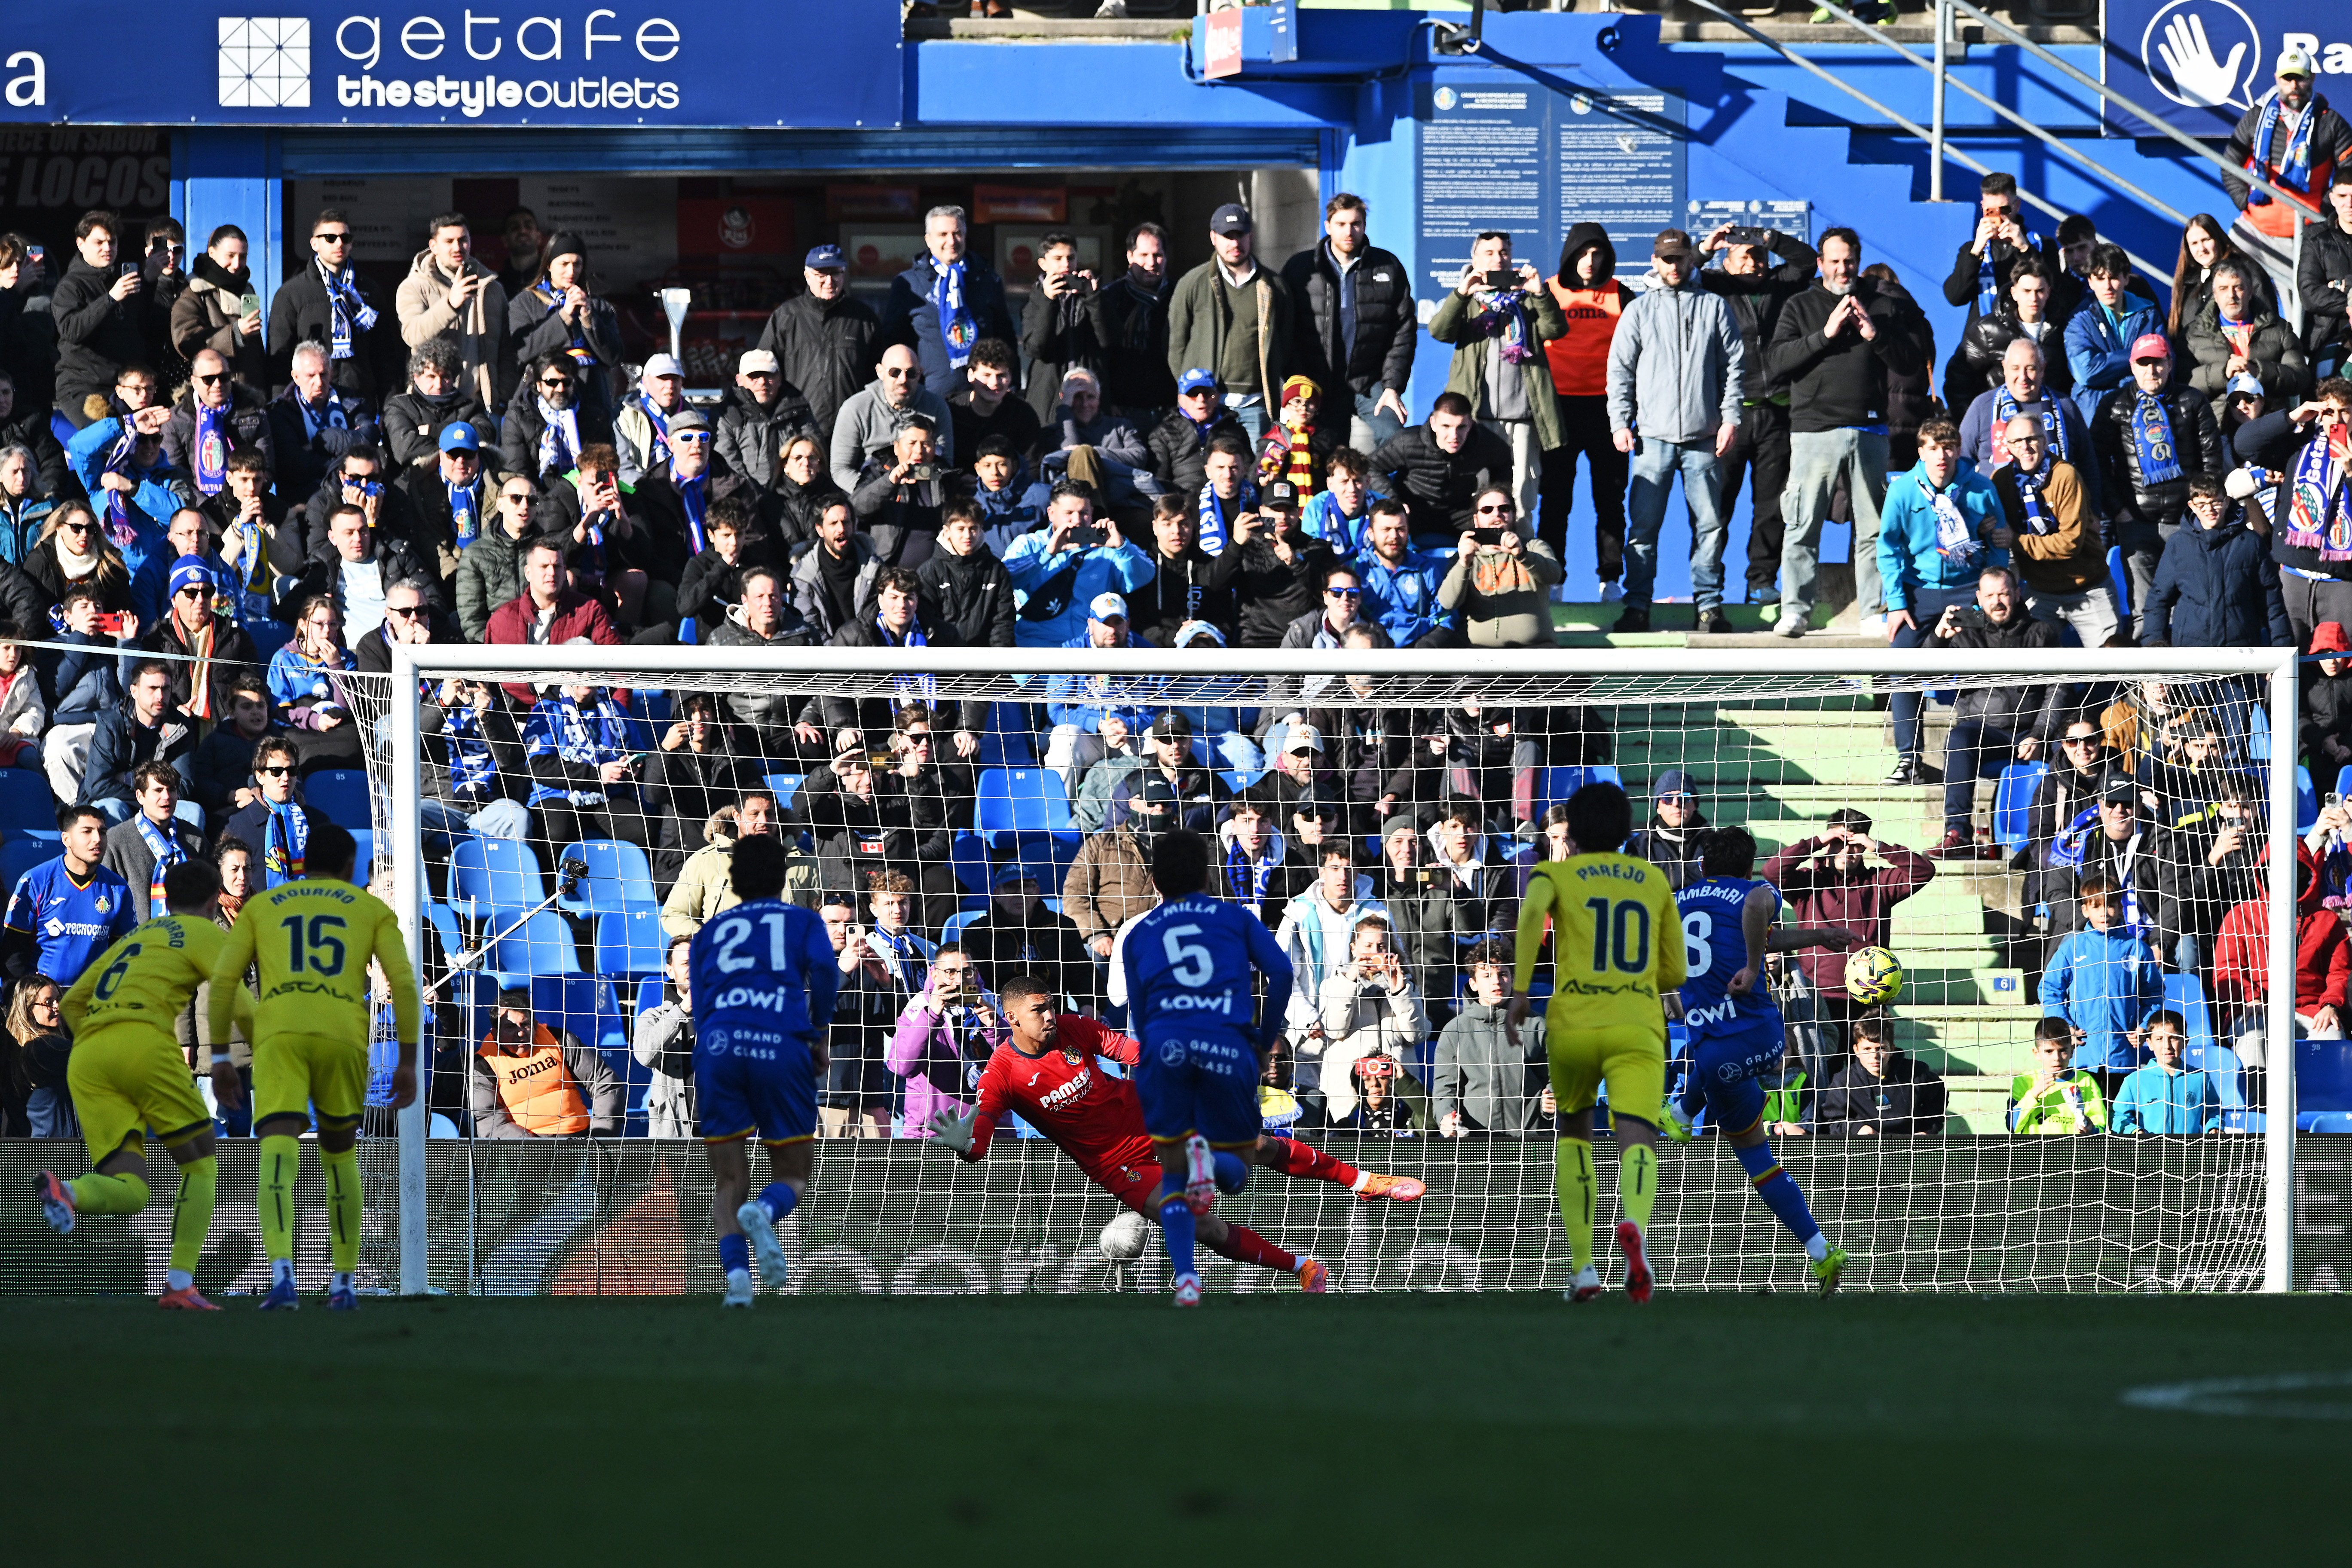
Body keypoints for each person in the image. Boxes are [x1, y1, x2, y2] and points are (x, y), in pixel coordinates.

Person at [926, 975, 1416, 1292]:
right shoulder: (1001, 1073)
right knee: (1197, 1223)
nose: (1050, 1015)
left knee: (1255, 1143)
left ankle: (1365, 1181)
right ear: (1011, 1017)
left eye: (1051, 1005)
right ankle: (1304, 1268)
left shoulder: (1074, 1027)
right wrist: (966, 1145)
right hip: (1116, 1164)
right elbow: (982, 1137)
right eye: (1038, 1010)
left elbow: (1130, 1051)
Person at [206, 819, 417, 1310]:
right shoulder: (369, 909)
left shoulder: (261, 907)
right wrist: (406, 1060)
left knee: (277, 1155)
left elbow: (223, 985)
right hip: (342, 1037)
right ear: (350, 868)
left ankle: (282, 1275)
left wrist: (219, 1057)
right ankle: (343, 1281)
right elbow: (403, 987)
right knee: (341, 1157)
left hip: (280, 1039)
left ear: (300, 864)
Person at [33, 859, 245, 1309]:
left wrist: (101, 1041)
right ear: (214, 901)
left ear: (165, 895)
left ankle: (67, 1191)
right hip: (143, 1043)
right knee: (202, 1161)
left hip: (89, 1057)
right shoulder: (205, 931)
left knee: (132, 1188)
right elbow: (237, 1001)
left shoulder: (134, 937)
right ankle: (180, 1284)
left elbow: (72, 1005)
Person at [1504, 781, 1680, 1302]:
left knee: (1574, 1130)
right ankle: (1636, 1233)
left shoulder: (1553, 873)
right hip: (1637, 1023)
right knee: (1637, 1135)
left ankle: (1582, 1266)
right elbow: (1674, 970)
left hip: (1573, 1022)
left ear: (1572, 832)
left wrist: (1519, 991)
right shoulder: (1652, 879)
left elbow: (1530, 916)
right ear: (1628, 831)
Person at [1105, 828, 1297, 1305]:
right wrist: (1264, 1036)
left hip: (1165, 1049)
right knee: (1236, 1173)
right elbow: (1282, 972)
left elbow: (1139, 1011)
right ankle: (1210, 1161)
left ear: (1153, 880)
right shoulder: (1234, 917)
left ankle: (1187, 1279)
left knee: (1172, 1173)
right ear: (1207, 874)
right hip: (1226, 1046)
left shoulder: (1137, 933)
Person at [1661, 826, 1857, 1292]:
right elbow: (1756, 916)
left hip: (1725, 1042)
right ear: (1749, 865)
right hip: (1760, 1038)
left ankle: (1681, 1111)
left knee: (1705, 1055)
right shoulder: (1753, 889)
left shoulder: (1678, 900)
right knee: (1756, 1158)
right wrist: (1776, 955)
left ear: (1702, 865)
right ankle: (1822, 1252)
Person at [684, 834, 838, 1306]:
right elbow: (826, 972)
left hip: (719, 1046)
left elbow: (702, 1005)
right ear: (783, 876)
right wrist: (816, 1031)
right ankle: (766, 1211)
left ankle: (737, 1283)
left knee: (729, 1180)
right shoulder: (802, 920)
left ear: (732, 879)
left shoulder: (708, 933)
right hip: (780, 1042)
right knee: (793, 1172)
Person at [1767, 227, 1924, 638]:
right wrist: (1826, 335)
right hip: (1813, 430)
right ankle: (1795, 609)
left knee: (1873, 528)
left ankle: (1872, 609)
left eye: (1849, 261)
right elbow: (1777, 361)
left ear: (1858, 260)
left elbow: (1911, 363)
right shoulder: (1799, 305)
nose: (1842, 268)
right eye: (1833, 261)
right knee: (1802, 525)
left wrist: (1876, 335)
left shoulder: (1884, 306)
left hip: (1869, 429)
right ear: (1820, 264)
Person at [1604, 228, 1745, 635]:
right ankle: (1637, 606)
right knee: (1644, 528)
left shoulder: (1714, 307)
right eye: (1666, 260)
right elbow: (1619, 372)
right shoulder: (1639, 311)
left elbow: (1734, 368)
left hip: (1703, 437)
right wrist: (1620, 421)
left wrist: (1730, 418)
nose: (1674, 266)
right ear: (1655, 262)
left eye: (1680, 258)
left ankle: (1708, 607)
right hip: (1652, 437)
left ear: (1690, 260)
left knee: (1709, 525)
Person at [1701, 222, 1819, 609]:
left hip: (1777, 411)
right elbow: (1684, 274)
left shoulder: (1780, 284)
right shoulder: (1715, 287)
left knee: (1770, 506)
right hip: (1729, 417)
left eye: (1759, 255)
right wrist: (1708, 246)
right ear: (1728, 262)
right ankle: (1709, 584)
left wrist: (1771, 240)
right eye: (1745, 255)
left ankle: (1762, 581)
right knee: (1716, 506)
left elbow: (1805, 263)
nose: (1755, 261)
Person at [1760, 809, 1934, 1067]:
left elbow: (1923, 871)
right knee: (1823, 1074)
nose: (1846, 852)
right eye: (1838, 845)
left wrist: (1878, 847)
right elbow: (1772, 871)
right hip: (1818, 1000)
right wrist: (1818, 841)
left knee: (1865, 1076)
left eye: (1853, 846)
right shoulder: (1808, 882)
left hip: (1869, 1000)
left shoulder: (1878, 882)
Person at [1879, 419, 2008, 765]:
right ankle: (1909, 758)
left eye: (1949, 447)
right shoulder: (1903, 490)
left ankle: (1988, 745)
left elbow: (1998, 542)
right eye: (1933, 448)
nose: (1942, 456)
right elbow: (1888, 548)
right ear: (1921, 452)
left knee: (1991, 655)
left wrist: (1989, 589)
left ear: (1958, 449)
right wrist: (1895, 602)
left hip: (1967, 589)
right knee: (1901, 663)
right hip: (1917, 591)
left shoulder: (1980, 487)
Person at [1910, 566, 2064, 845]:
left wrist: (2040, 732)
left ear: (2017, 594)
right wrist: (1939, 637)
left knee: (2070, 744)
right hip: (1983, 732)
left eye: (2004, 594)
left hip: (2031, 732)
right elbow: (1924, 677)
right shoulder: (1962, 634)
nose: (1997, 601)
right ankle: (1956, 832)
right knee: (1958, 738)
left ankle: (2056, 834)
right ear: (1979, 598)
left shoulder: (2042, 632)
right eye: (1990, 595)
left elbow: (2058, 688)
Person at [1428, 230, 1565, 524]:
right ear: (1475, 259)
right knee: (1477, 500)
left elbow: (1556, 330)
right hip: (1475, 420)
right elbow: (1439, 331)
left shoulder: (1527, 296)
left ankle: (1521, 560)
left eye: (1503, 252)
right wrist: (1461, 293)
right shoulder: (1468, 300)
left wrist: (1539, 293)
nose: (1498, 259)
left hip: (1523, 419)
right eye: (1489, 253)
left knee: (1520, 499)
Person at [2093, 335, 2224, 624]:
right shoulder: (2113, 406)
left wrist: (2199, 511)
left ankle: (2188, 669)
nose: (2151, 371)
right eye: (2143, 363)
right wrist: (2119, 511)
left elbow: (2211, 461)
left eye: (2157, 362)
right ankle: (2149, 668)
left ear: (2169, 363)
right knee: (2144, 610)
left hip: (2185, 523)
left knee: (2190, 605)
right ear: (2132, 366)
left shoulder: (2192, 400)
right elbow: (2097, 464)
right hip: (2136, 522)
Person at [1282, 193, 1416, 453]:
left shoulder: (1387, 267)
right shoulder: (1301, 268)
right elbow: (1286, 331)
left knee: (1395, 440)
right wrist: (1297, 382)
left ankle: (1383, 494)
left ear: (1364, 226)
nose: (1349, 231)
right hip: (1319, 384)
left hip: (1371, 381)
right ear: (1328, 226)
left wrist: (1392, 387)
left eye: (1355, 224)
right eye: (1341, 224)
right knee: (1324, 452)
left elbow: (1403, 331)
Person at [2221, 46, 2352, 295]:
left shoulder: (2330, 122)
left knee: (2299, 315)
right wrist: (2244, 202)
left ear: (2312, 78)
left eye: (2300, 78)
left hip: (2302, 237)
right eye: (2287, 78)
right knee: (2226, 289)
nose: (2294, 85)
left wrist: (2324, 208)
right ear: (2277, 79)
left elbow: (2350, 172)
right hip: (2253, 233)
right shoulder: (2256, 117)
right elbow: (2230, 165)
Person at [1167, 203, 1293, 443]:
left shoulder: (1274, 286)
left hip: (1257, 404)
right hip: (1208, 406)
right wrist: (1193, 393)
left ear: (1251, 237)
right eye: (1228, 236)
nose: (1235, 243)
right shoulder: (1192, 283)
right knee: (1210, 474)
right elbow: (1175, 344)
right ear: (1214, 238)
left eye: (1241, 235)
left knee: (1255, 473)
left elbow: (1286, 342)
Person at [1991, 413, 2120, 648]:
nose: (2025, 447)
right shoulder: (2001, 481)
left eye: (2032, 438)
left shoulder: (2065, 475)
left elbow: (2070, 543)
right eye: (2017, 441)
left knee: (2114, 667)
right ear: (2007, 447)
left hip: (2088, 586)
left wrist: (2016, 541)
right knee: (2033, 670)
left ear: (2044, 440)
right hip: (2040, 591)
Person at [2039, 869, 2165, 1100]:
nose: (2104, 913)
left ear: (2119, 908)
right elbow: (2050, 989)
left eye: (2109, 906)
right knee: (2087, 1125)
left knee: (2122, 1123)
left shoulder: (2137, 949)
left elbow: (2153, 995)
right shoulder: (2073, 947)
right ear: (2085, 910)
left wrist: (2144, 1026)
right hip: (2083, 1055)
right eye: (2096, 907)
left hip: (2126, 1057)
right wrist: (2066, 1027)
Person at [1939, 173, 2054, 415]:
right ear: (1982, 208)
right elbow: (1954, 296)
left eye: (2005, 210)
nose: (1999, 218)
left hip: (2028, 343)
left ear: (2017, 206)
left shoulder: (2041, 245)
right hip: (1986, 346)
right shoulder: (1972, 250)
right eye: (1991, 211)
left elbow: (2055, 293)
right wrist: (1976, 251)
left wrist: (2023, 247)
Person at [2144, 474, 2291, 649]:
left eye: (2216, 502)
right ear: (2192, 506)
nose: (2210, 510)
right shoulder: (2179, 544)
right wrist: (2154, 644)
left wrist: (2282, 648)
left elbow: (2271, 601)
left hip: (2241, 649)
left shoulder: (2251, 543)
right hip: (2191, 650)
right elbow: (2159, 598)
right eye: (2202, 504)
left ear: (2227, 502)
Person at [882, 204, 1014, 400]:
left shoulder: (987, 279)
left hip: (982, 398)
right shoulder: (908, 284)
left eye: (957, 233)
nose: (951, 241)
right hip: (929, 397)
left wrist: (1012, 382)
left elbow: (1005, 336)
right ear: (928, 240)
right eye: (943, 234)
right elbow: (892, 342)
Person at [1003, 480, 1154, 649]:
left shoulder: (1108, 547)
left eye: (1084, 513)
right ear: (1051, 514)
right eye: (1069, 513)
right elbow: (1005, 580)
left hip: (1088, 649)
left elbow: (1144, 577)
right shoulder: (1029, 544)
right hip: (1036, 647)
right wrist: (1047, 554)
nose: (1078, 520)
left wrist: (1122, 548)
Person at [2, 803, 136, 990]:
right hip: (42, 1001)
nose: (97, 839)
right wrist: (15, 1001)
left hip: (91, 1002)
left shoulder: (118, 888)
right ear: (66, 839)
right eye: (87, 832)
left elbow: (123, 954)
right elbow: (14, 953)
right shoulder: (36, 881)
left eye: (103, 832)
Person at [469, 983, 624, 1140]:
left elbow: (605, 1082)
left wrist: (601, 1136)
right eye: (510, 1027)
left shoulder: (559, 1040)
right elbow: (490, 1122)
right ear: (495, 1033)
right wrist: (539, 1150)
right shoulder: (483, 1064)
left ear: (535, 1026)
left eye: (526, 1025)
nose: (520, 1032)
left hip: (581, 1141)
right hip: (528, 1150)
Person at [756, 245, 880, 439]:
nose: (829, 281)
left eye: (835, 273)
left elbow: (879, 378)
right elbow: (763, 371)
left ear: (844, 274)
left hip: (854, 429)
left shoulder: (864, 318)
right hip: (799, 430)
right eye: (821, 274)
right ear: (807, 276)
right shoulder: (786, 317)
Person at [395, 211, 510, 413]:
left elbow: (506, 351)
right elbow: (413, 336)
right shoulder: (413, 286)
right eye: (449, 241)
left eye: (463, 240)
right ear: (434, 247)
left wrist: (503, 398)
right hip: (433, 404)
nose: (457, 248)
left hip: (483, 407)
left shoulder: (491, 287)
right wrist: (450, 304)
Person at [1431, 938, 1547, 1137]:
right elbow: (1445, 1090)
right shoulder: (1455, 1031)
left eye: (1503, 974)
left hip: (1531, 1142)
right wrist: (1446, 1118)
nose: (1496, 981)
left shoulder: (1537, 1025)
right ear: (1473, 984)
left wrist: (1550, 1104)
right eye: (1487, 976)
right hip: (1476, 1144)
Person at [269, 209, 385, 401]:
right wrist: (280, 407)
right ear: (315, 243)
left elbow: (384, 356)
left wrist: (387, 409)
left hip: (359, 402)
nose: (339, 243)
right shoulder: (292, 293)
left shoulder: (370, 291)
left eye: (345, 238)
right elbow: (280, 360)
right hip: (309, 403)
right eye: (331, 238)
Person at [508, 231, 622, 422]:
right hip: (541, 408)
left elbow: (614, 357)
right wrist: (565, 316)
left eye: (577, 264)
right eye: (564, 264)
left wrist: (588, 320)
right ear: (548, 265)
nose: (571, 272)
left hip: (592, 406)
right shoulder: (526, 302)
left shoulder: (597, 306)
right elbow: (524, 351)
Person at [50, 211, 152, 424]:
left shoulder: (124, 281)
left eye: (112, 242)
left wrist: (151, 280)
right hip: (84, 387)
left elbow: (142, 328)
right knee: (103, 443)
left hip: (124, 388)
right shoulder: (70, 286)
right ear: (81, 244)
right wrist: (111, 298)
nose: (108, 248)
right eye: (99, 242)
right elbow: (71, 330)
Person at [1437, 486, 1561, 648]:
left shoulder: (1533, 546)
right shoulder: (1465, 557)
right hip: (1483, 661)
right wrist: (1464, 563)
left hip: (1537, 653)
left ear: (1514, 515)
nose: (1496, 514)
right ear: (1476, 519)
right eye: (1487, 510)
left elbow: (1554, 575)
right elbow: (1447, 602)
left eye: (1504, 508)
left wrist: (1522, 554)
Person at [831, 343, 955, 492]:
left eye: (911, 373)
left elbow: (944, 463)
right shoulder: (855, 408)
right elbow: (840, 469)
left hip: (923, 492)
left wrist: (906, 491)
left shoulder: (936, 407)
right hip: (871, 493)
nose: (903, 379)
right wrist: (874, 493)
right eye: (895, 372)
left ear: (920, 374)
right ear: (880, 372)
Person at [2063, 245, 2162, 427]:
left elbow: (2162, 364)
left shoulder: (2149, 315)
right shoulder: (2077, 320)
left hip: (2143, 415)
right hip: (2095, 417)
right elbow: (2085, 372)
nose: (2107, 286)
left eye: (2114, 277)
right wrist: (2136, 356)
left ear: (2126, 278)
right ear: (2090, 282)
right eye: (2100, 279)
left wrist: (2107, 367)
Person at [267, 341, 377, 502]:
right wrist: (350, 463)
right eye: (311, 376)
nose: (319, 383)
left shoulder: (350, 400)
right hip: (306, 498)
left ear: (331, 373)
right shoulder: (280, 412)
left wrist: (325, 440)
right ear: (296, 377)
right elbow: (296, 467)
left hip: (359, 491)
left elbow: (370, 439)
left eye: (324, 374)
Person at [2187, 260, 2310, 403]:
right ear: (2215, 294)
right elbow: (2183, 383)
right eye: (2223, 289)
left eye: (2238, 287)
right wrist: (2224, 373)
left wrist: (2258, 371)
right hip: (2217, 421)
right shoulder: (2193, 334)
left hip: (2268, 419)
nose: (2231, 295)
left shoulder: (2279, 328)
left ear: (2251, 292)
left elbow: (2301, 378)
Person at [1809, 1012, 1948, 1136]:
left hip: (1910, 1146)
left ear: (1892, 1049)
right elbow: (1833, 1122)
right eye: (1867, 1049)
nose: (1874, 1056)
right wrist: (1857, 1128)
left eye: (1881, 1049)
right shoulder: (1844, 1082)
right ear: (1856, 1050)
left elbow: (1939, 1100)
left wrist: (1927, 1131)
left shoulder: (1916, 1073)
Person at [1956, 256, 2070, 406]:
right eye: (2027, 291)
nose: (2033, 298)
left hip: (2049, 416)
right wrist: (1977, 420)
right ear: (2014, 293)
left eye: (2040, 291)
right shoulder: (1987, 330)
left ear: (2049, 292)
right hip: (1999, 418)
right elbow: (1959, 380)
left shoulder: (2063, 328)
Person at [100, 761, 205, 920]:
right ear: (140, 796)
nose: (167, 797)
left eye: (172, 790)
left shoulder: (195, 839)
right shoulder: (116, 841)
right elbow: (105, 902)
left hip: (189, 938)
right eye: (158, 791)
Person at [171, 223, 267, 394]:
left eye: (243, 256)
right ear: (212, 253)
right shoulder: (193, 290)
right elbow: (186, 340)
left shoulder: (247, 289)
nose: (237, 264)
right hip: (215, 394)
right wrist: (235, 333)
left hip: (251, 395)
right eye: (230, 256)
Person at [1097, 222, 1176, 421]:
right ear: (1130, 257)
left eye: (1158, 255)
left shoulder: (1180, 295)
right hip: (1122, 410)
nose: (1151, 263)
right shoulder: (1110, 297)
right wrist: (1107, 400)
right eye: (1143, 256)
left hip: (1170, 409)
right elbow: (1101, 353)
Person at [715, 348, 815, 494]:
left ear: (780, 378)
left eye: (769, 375)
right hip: (746, 501)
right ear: (739, 380)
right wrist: (754, 498)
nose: (762, 382)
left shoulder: (799, 410)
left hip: (795, 498)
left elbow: (815, 455)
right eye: (754, 377)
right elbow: (727, 464)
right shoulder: (724, 415)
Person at [2108, 1009, 2219, 1135]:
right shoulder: (2134, 1080)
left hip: (2188, 1152)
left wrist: (2213, 1127)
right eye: (2160, 1039)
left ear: (2185, 1042)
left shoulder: (2200, 1078)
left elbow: (2214, 1112)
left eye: (2174, 1038)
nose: (2167, 1046)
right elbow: (2119, 1119)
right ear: (2149, 1043)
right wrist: (2134, 1131)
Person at [631, 935, 697, 1139]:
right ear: (670, 971)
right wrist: (683, 1010)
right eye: (686, 963)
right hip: (673, 1133)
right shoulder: (653, 1016)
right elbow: (644, 1055)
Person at [947, 337, 1041, 476]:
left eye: (1001, 376)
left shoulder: (1023, 415)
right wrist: (956, 479)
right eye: (986, 375)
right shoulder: (950, 411)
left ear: (1010, 378)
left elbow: (1033, 468)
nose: (994, 383)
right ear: (971, 375)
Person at [2009, 1016, 2110, 1134]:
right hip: (2037, 1152)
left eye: (2063, 1051)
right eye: (2049, 1052)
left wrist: (2090, 1129)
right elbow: (2012, 1126)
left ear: (2072, 1051)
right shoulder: (2025, 1080)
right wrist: (2034, 1094)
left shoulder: (2086, 1081)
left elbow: (2100, 1127)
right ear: (2036, 1053)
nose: (2057, 1059)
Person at [2302, 169, 2352, 380]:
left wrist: (2342, 284)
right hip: (2326, 340)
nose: (2349, 204)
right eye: (2342, 196)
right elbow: (2309, 293)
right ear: (2332, 198)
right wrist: (2349, 306)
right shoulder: (2316, 238)